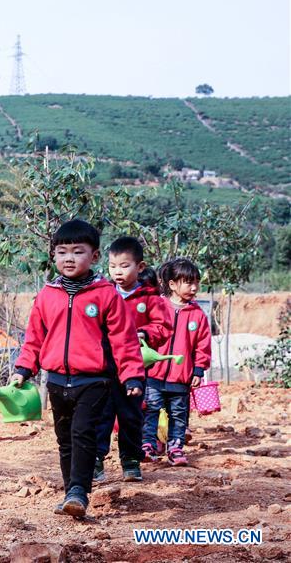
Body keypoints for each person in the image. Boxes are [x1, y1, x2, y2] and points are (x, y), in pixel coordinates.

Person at [13, 220, 145, 517]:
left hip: (94, 380)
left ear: (94, 256)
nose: (69, 258)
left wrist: (132, 375)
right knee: (65, 439)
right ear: (53, 256)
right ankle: (70, 492)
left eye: (77, 251)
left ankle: (78, 492)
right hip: (57, 381)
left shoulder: (106, 294)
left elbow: (124, 339)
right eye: (62, 252)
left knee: (83, 434)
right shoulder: (47, 294)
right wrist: (23, 368)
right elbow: (35, 337)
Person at [94, 237, 172, 484]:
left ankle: (130, 461)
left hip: (134, 369)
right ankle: (96, 461)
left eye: (124, 266)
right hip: (104, 367)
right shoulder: (103, 294)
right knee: (101, 415)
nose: (118, 272)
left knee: (131, 415)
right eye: (113, 266)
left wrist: (144, 333)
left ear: (140, 267)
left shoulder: (150, 298)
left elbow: (163, 327)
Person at [142, 258, 212, 465]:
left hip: (181, 377)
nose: (194, 287)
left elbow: (202, 345)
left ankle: (175, 448)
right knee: (150, 410)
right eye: (188, 283)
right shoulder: (156, 306)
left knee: (178, 415)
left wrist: (198, 370)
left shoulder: (198, 315)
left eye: (196, 282)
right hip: (153, 374)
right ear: (172, 284)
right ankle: (148, 445)